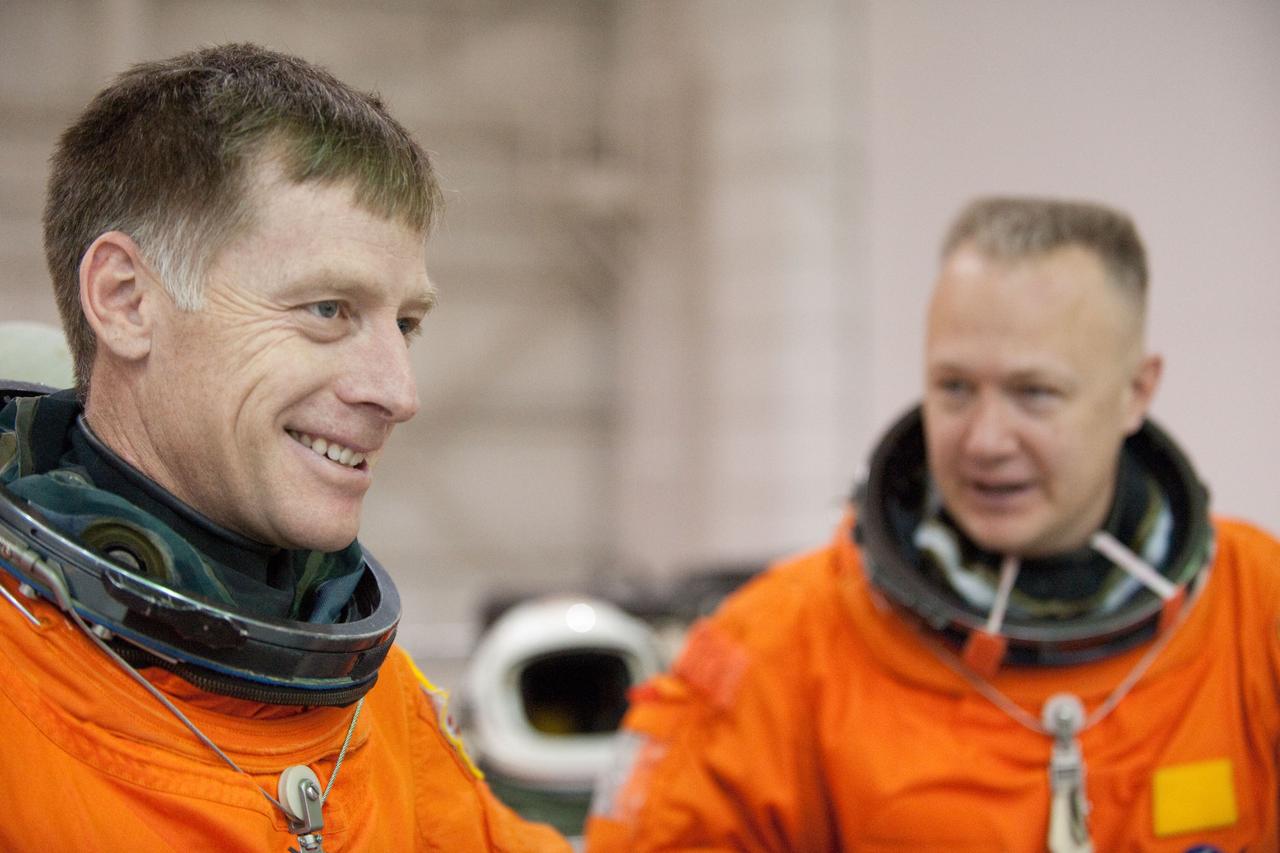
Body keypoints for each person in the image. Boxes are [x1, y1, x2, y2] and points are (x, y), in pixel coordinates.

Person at [0, 43, 569, 852]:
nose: (399, 393)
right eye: (329, 309)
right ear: (126, 301)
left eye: (406, 323)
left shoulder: (380, 706)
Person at [585, 196, 1280, 851]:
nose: (984, 439)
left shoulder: (1255, 612)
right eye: (954, 388)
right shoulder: (778, 648)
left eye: (1034, 393)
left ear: (1136, 392)